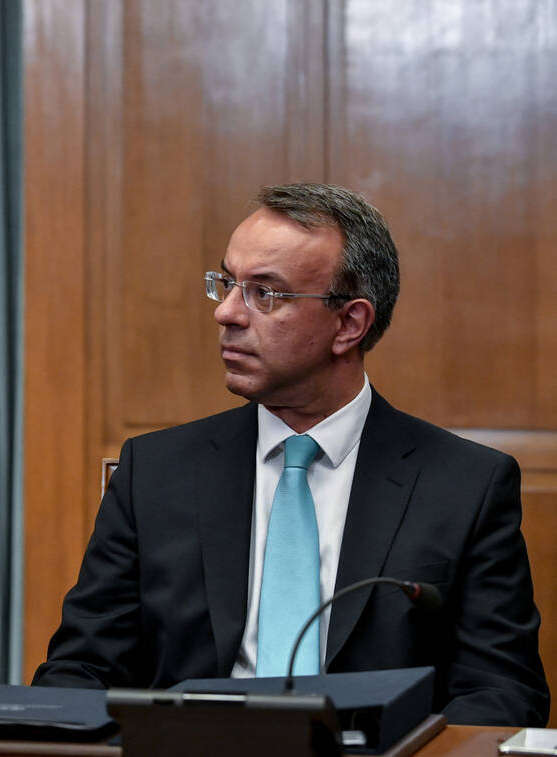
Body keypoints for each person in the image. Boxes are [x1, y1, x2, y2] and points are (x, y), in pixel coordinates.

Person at [32, 183, 549, 726]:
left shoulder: (466, 486)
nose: (226, 313)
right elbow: (79, 671)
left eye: (265, 294)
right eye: (227, 284)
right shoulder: (155, 473)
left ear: (349, 324)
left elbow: (502, 694)